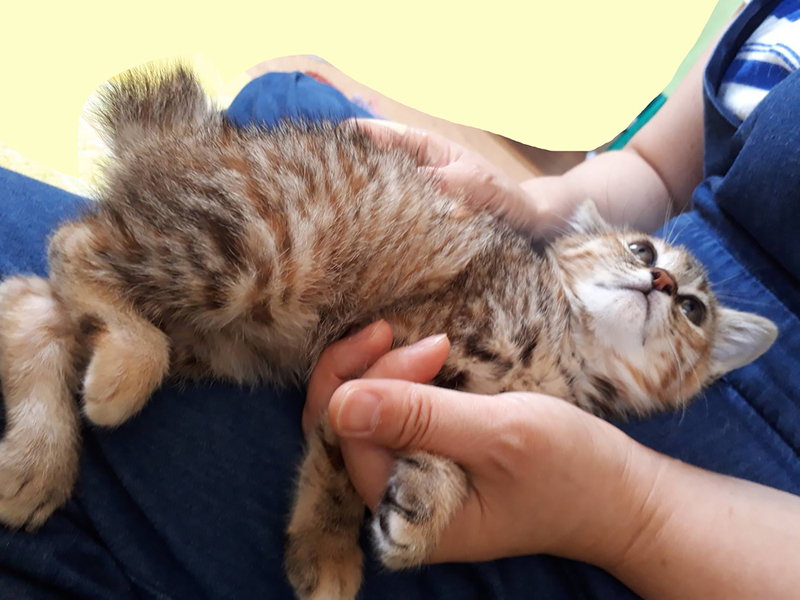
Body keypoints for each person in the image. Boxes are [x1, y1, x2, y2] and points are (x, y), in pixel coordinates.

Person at [0, 1, 798, 598]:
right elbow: (654, 171)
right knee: (282, 128)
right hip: (339, 280)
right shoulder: (536, 312)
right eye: (645, 254)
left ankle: (55, 317)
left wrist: (635, 509)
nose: (661, 281)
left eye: (692, 309)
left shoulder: (563, 367)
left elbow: (413, 397)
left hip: (723, 507)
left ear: (697, 373)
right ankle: (98, 269)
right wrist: (534, 202)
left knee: (233, 323)